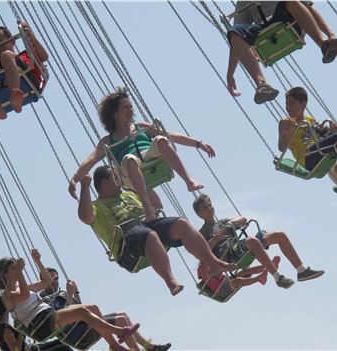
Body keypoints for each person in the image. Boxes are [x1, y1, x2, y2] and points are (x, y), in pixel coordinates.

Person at [77, 166, 235, 296]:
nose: (119, 180)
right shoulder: (96, 206)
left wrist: (137, 180)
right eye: (115, 177)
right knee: (149, 235)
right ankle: (170, 281)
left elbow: (157, 205)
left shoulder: (128, 194)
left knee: (181, 223)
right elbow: (85, 216)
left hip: (146, 227)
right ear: (105, 183)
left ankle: (213, 263)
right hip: (127, 243)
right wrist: (85, 185)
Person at [68, 87, 215, 222]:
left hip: (149, 159)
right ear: (115, 114)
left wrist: (198, 143)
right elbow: (90, 160)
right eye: (126, 107)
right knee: (130, 159)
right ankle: (148, 209)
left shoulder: (141, 127)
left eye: (131, 106)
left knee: (161, 140)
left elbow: (171, 136)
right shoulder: (108, 141)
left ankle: (189, 181)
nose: (131, 110)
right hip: (128, 171)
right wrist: (75, 179)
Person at [0, 249, 140, 351]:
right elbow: (23, 295)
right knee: (82, 311)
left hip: (49, 315)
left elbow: (47, 281)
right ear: (5, 273)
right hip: (41, 323)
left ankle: (114, 346)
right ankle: (120, 331)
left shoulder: (23, 288)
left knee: (92, 307)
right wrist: (22, 273)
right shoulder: (7, 296)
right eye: (14, 268)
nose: (17, 270)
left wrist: (38, 261)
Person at [193, 194, 325, 290]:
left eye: (210, 205)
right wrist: (215, 239)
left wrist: (228, 225)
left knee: (279, 235)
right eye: (205, 208)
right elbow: (200, 253)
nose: (209, 209)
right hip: (230, 256)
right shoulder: (202, 232)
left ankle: (301, 271)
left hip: (241, 247)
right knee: (251, 241)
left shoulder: (222, 222)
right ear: (199, 214)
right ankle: (278, 277)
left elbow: (243, 219)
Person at [226, 1, 337, 104]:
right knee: (233, 32)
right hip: (264, 30)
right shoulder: (243, 2)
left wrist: (330, 35)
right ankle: (262, 84)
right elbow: (236, 41)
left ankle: (324, 44)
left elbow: (309, 9)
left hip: (288, 19)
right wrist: (230, 74)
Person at [40, 267, 171, 351]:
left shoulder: (62, 292)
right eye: (51, 278)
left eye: (56, 278)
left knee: (123, 314)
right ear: (43, 281)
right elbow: (62, 316)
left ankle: (149, 347)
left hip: (86, 325)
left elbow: (80, 308)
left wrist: (75, 293)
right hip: (78, 333)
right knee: (121, 320)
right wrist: (69, 294)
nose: (54, 281)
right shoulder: (45, 299)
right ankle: (133, 348)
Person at [0, 21, 48, 120]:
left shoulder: (26, 55)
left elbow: (44, 57)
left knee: (6, 55)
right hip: (1, 77)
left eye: (0, 42)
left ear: (12, 41)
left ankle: (14, 93)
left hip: (29, 79)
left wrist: (28, 35)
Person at [0, 294, 73, 351]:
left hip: (32, 348)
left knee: (61, 342)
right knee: (63, 348)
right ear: (5, 305)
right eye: (11, 300)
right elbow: (15, 349)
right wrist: (20, 332)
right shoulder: (4, 328)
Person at [197, 257, 276, 300]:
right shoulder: (201, 268)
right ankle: (259, 279)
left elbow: (220, 273)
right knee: (238, 280)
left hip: (226, 280)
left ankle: (269, 266)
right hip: (220, 289)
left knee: (246, 272)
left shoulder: (212, 262)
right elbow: (205, 276)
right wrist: (209, 265)